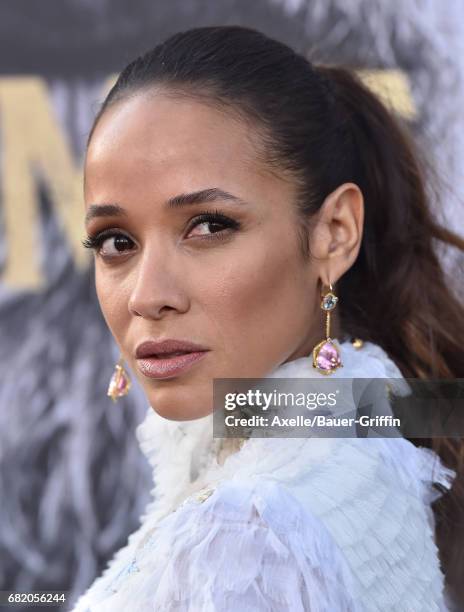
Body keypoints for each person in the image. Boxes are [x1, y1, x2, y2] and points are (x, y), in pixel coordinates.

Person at [71, 25, 464, 611]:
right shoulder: (348, 434)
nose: (146, 295)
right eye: (116, 240)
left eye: (208, 226)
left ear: (335, 233)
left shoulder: (248, 537)